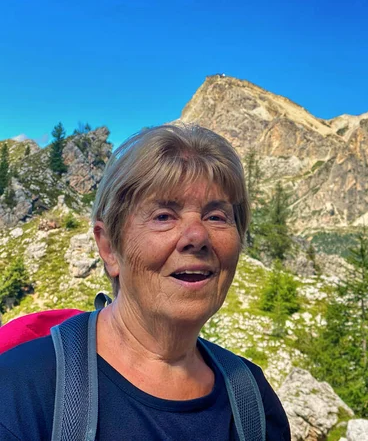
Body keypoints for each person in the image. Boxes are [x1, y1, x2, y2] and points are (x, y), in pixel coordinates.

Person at [0, 124, 291, 440]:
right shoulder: (20, 394)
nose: (197, 236)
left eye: (217, 217)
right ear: (110, 248)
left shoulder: (254, 403)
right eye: (164, 216)